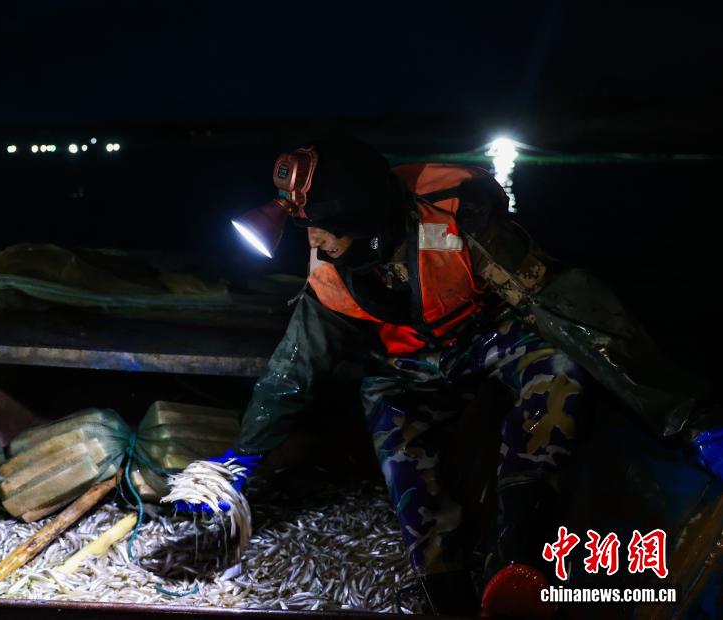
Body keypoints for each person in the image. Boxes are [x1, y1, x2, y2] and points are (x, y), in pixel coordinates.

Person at [177, 138, 723, 615]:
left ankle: (520, 547)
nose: (314, 243)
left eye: (323, 230)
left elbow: (572, 308)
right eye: (308, 230)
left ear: (365, 226)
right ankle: (444, 586)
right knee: (386, 414)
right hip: (408, 369)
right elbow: (293, 369)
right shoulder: (330, 270)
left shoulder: (460, 218)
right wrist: (238, 461)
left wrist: (689, 417)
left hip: (489, 340)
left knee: (560, 365)